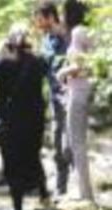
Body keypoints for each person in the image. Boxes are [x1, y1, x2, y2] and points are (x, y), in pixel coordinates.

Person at [0, 24, 51, 210]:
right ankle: (44, 195)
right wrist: (32, 50)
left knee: (13, 165)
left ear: (9, 43)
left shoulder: (2, 64)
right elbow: (47, 65)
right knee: (33, 157)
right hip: (34, 123)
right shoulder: (37, 62)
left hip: (10, 123)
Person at [34, 1, 70, 196]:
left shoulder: (67, 37)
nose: (37, 23)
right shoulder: (44, 39)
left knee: (68, 144)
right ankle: (61, 190)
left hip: (70, 97)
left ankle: (77, 189)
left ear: (50, 17)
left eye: (39, 19)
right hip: (54, 99)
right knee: (57, 144)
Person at [58, 25, 94, 202]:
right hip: (80, 93)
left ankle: (85, 194)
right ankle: (82, 190)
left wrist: (61, 73)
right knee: (75, 144)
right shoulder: (90, 34)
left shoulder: (78, 33)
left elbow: (81, 66)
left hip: (78, 95)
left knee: (76, 144)